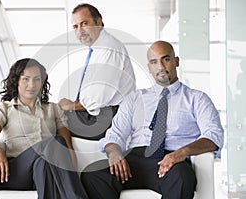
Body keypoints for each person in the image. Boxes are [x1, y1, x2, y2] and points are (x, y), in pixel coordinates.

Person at [80, 40, 224, 199]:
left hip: (172, 161)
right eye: (154, 62)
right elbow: (115, 135)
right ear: (149, 68)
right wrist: (114, 152)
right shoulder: (134, 99)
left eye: (166, 59)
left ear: (176, 61)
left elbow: (214, 137)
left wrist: (182, 153)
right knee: (92, 175)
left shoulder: (197, 99)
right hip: (134, 160)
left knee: (183, 177)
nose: (161, 66)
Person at [0, 58, 88, 199]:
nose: (31, 84)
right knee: (53, 141)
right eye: (26, 79)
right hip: (17, 173)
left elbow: (67, 146)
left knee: (44, 162)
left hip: (42, 170)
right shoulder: (5, 108)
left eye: (37, 79)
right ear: (16, 80)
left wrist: (69, 173)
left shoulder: (53, 109)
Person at [59, 3, 136, 140]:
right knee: (53, 115)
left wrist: (70, 105)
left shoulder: (109, 49)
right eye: (75, 27)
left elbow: (97, 98)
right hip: (103, 114)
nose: (79, 31)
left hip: (109, 119)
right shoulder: (98, 48)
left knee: (52, 121)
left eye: (84, 23)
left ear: (98, 22)